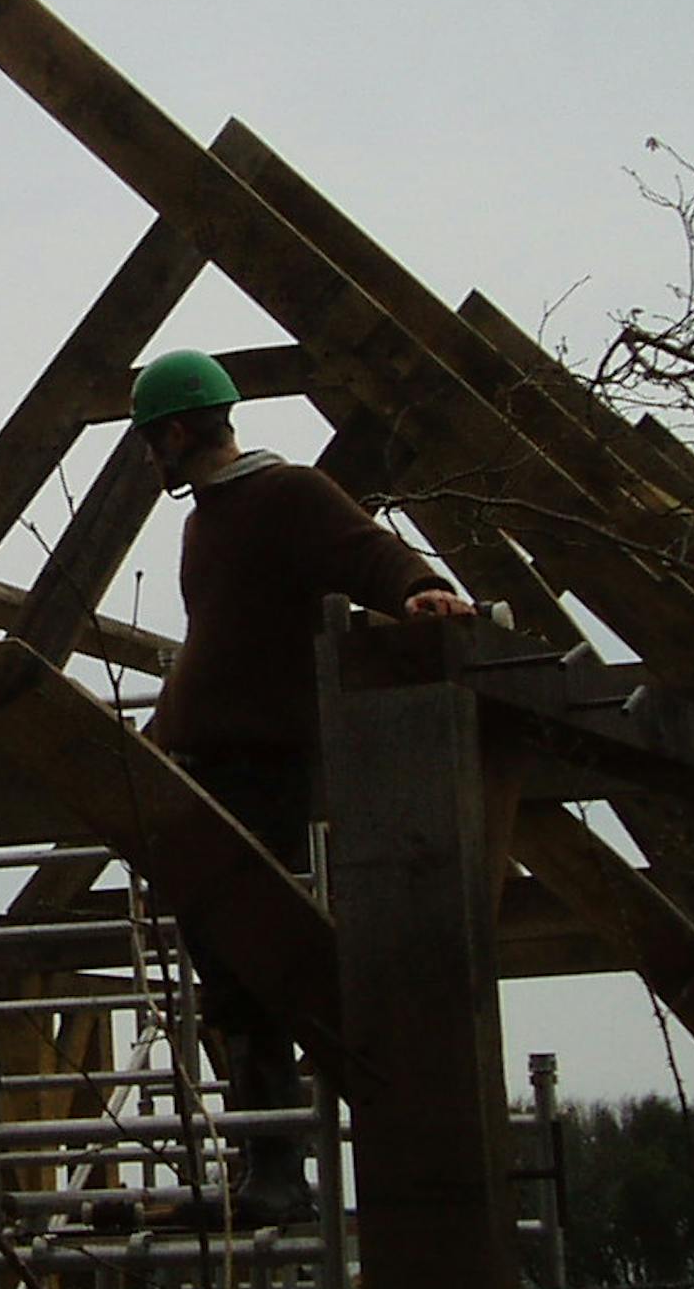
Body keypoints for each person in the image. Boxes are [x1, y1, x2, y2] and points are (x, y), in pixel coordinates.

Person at [129, 352, 476, 1219]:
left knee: (258, 956)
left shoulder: (285, 494)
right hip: (204, 763)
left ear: (177, 432)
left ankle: (280, 1169)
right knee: (225, 965)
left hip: (259, 765)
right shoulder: (206, 521)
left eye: (151, 440)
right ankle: (265, 1160)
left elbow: (366, 550)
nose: (150, 458)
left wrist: (421, 591)